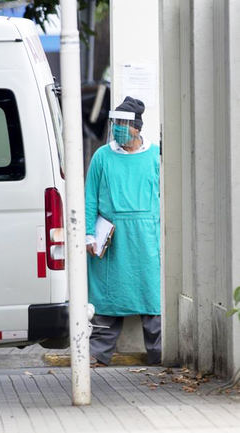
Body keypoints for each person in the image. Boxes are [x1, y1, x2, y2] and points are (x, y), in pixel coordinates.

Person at [85, 96, 161, 366]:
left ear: (137, 128)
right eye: (114, 122)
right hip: (112, 238)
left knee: (152, 296)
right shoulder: (102, 157)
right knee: (107, 297)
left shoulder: (156, 156)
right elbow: (89, 198)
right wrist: (88, 235)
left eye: (122, 123)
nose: (117, 128)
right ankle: (97, 355)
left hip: (148, 237)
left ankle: (161, 354)